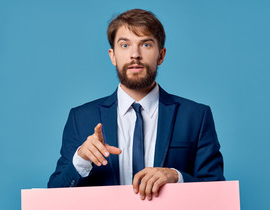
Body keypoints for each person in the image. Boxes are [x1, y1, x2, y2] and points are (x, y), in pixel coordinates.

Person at [48, 9, 224, 200]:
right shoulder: (80, 118)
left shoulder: (196, 116)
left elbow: (218, 194)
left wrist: (177, 177)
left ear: (161, 55)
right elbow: (54, 197)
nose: (135, 54)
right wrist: (81, 160)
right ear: (112, 56)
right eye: (125, 45)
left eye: (146, 44)